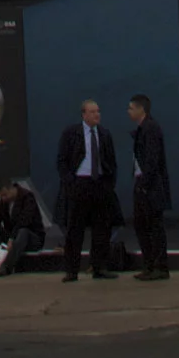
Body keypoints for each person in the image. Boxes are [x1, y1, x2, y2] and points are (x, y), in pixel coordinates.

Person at [56, 99, 119, 282]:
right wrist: (70, 182)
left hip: (99, 185)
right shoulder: (71, 133)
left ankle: (99, 267)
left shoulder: (105, 134)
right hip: (79, 185)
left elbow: (111, 162)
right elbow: (62, 160)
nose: (96, 115)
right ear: (83, 114)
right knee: (75, 230)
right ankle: (72, 270)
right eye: (92, 112)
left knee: (102, 229)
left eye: (98, 111)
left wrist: (109, 183)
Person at [127, 93, 171, 282]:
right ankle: (150, 264)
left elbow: (152, 161)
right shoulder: (142, 129)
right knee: (142, 226)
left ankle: (159, 267)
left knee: (153, 227)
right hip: (144, 184)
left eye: (130, 108)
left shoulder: (150, 128)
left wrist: (144, 185)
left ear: (140, 109)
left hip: (150, 187)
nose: (128, 112)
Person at [0, 178, 45, 273]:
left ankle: (7, 266)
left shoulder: (27, 197)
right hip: (12, 236)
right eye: (1, 196)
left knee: (23, 232)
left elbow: (24, 221)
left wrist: (12, 239)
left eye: (5, 195)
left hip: (32, 237)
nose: (3, 198)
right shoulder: (5, 202)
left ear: (12, 188)